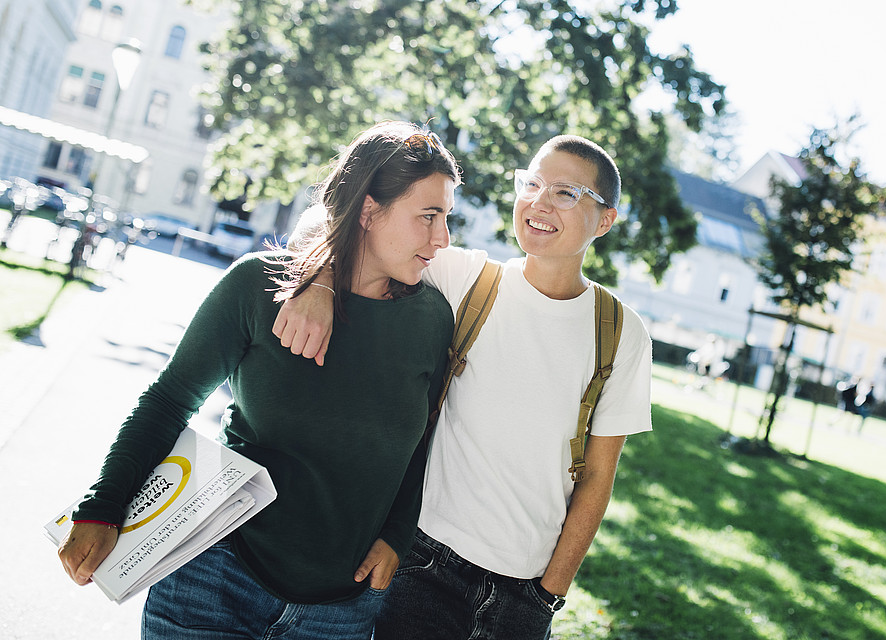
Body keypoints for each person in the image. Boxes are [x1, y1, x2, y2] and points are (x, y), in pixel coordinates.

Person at [56, 121, 460, 639]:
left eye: (446, 218)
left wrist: (397, 535)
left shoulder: (432, 319)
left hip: (340, 611)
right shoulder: (256, 287)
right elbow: (170, 401)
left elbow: (421, 440)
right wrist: (103, 505)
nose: (442, 239)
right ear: (367, 211)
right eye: (428, 217)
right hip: (213, 578)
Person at [273, 134, 653, 638]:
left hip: (524, 593)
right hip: (419, 564)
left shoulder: (620, 333)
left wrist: (546, 595)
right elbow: (326, 223)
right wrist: (319, 282)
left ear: (605, 220)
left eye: (565, 193)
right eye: (532, 184)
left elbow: (597, 480)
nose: (538, 203)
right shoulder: (467, 279)